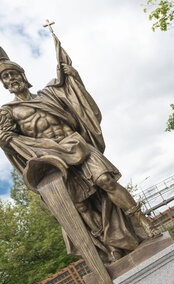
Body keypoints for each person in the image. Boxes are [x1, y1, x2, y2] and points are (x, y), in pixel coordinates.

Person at [0, 35, 158, 264]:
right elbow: (6, 139)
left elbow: (71, 91)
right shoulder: (9, 112)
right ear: (4, 84)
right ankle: (109, 246)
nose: (11, 78)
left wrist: (68, 73)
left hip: (77, 145)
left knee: (106, 181)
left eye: (14, 74)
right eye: (5, 77)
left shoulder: (49, 93)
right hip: (55, 160)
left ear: (23, 75)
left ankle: (143, 222)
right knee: (81, 205)